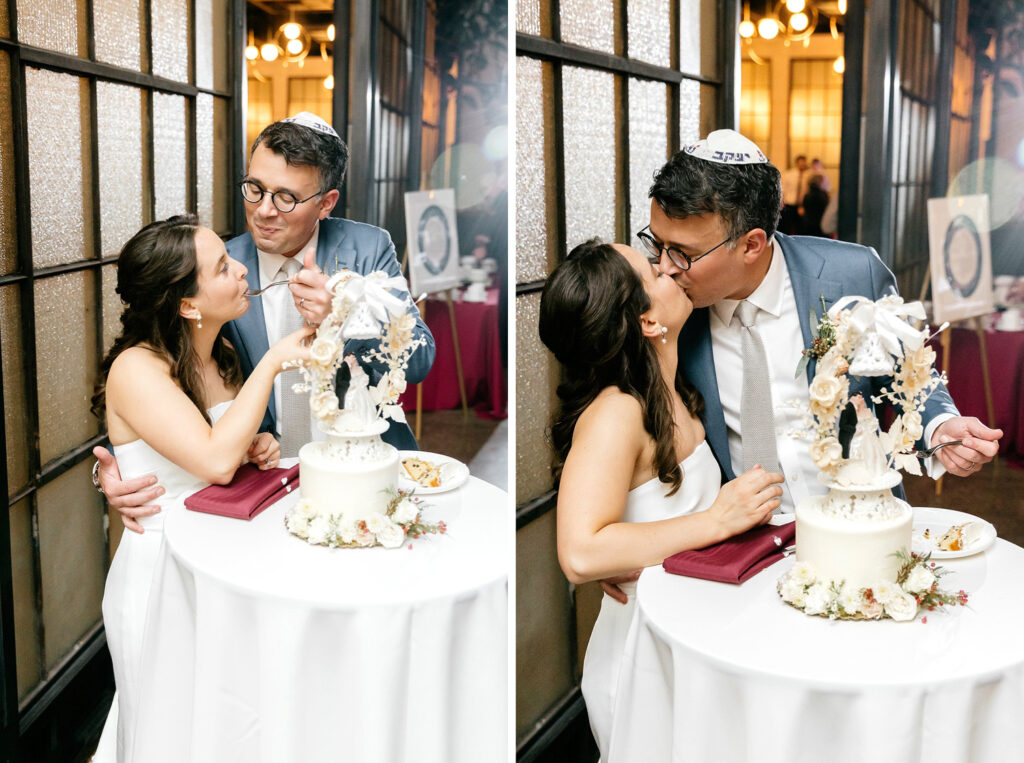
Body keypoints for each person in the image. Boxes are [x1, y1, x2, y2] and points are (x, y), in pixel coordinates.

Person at [95, 113, 436, 532]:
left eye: (287, 198)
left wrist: (346, 319)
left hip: (364, 478)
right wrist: (112, 470)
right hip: (260, 495)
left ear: (326, 203)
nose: (264, 211)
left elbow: (419, 360)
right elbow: (159, 364)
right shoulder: (220, 268)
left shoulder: (367, 249)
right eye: (255, 189)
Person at [636, 129, 1001, 512]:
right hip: (740, 543)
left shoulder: (853, 274)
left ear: (751, 244)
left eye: (682, 253)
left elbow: (909, 372)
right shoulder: (668, 312)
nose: (664, 267)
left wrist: (940, 424)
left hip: (860, 517)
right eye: (657, 244)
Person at [539, 239, 785, 760]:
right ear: (649, 322)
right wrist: (717, 520)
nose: (670, 268)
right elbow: (580, 552)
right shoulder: (615, 414)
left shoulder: (676, 383)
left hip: (694, 635)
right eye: (655, 271)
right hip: (643, 656)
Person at [90, 215, 313, 761]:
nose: (240, 267)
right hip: (160, 570)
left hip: (222, 561)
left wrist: (255, 446)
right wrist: (276, 361)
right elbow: (212, 460)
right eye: (221, 267)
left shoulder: (220, 353)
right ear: (188, 305)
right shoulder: (137, 369)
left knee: (218, 730)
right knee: (164, 730)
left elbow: (221, 446)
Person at [779, 154, 808, 234]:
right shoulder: (789, 174)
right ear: (797, 163)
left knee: (800, 228)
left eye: (804, 162)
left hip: (802, 206)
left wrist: (803, 205)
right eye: (800, 162)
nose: (802, 164)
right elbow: (783, 189)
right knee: (787, 227)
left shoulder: (808, 175)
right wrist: (782, 201)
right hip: (789, 205)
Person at [799, 173, 830, 237]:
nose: (827, 184)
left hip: (808, 227)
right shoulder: (823, 196)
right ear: (820, 183)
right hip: (820, 229)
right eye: (826, 183)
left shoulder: (807, 195)